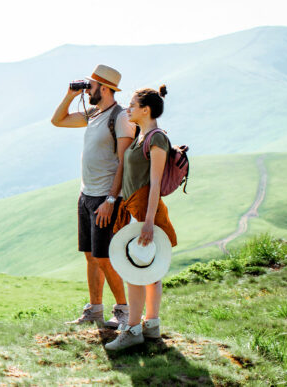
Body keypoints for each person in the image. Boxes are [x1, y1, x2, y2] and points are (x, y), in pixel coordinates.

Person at [51, 65, 136, 328]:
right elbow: (58, 120)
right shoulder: (93, 113)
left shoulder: (120, 117)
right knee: (90, 255)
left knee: (103, 257)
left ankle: (124, 310)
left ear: (106, 89)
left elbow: (124, 162)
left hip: (106, 198)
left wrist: (112, 200)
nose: (88, 89)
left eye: (92, 85)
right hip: (86, 194)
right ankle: (95, 310)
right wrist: (69, 94)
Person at [105, 85, 178, 351]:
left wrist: (148, 222)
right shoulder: (141, 136)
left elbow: (155, 184)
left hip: (146, 212)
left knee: (138, 269)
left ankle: (135, 329)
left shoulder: (156, 139)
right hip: (137, 210)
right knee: (145, 269)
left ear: (145, 110)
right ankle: (150, 326)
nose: (128, 109)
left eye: (133, 106)